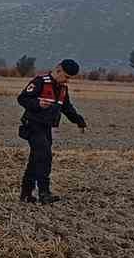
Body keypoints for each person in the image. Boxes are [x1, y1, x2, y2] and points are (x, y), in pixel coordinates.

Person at [18, 59, 86, 203]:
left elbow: (67, 108)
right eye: (66, 77)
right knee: (45, 156)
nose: (67, 80)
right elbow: (22, 99)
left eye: (69, 78)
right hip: (33, 125)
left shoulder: (63, 89)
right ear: (58, 70)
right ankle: (44, 193)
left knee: (35, 160)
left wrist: (79, 121)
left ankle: (26, 194)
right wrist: (37, 104)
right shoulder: (40, 81)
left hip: (47, 128)